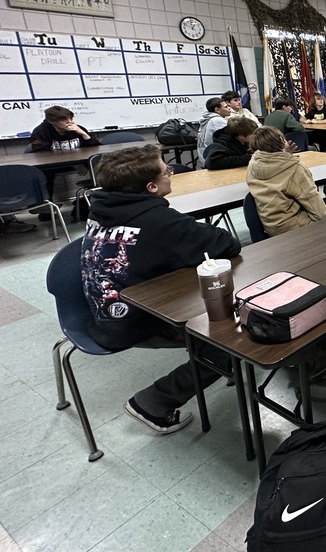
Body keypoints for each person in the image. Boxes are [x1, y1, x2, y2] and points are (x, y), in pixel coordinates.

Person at [81, 145, 239, 434]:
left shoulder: (101, 209)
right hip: (134, 323)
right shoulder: (160, 221)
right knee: (232, 340)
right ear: (151, 187)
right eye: (167, 170)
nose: (171, 173)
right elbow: (227, 244)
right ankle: (153, 403)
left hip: (101, 311)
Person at [246, 126, 326, 236]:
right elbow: (320, 214)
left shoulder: (253, 166)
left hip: (272, 228)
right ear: (281, 140)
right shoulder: (295, 170)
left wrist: (285, 155)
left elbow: (274, 165)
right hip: (296, 228)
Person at [29, 105, 102, 197]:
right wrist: (74, 164)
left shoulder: (77, 129)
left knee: (101, 163)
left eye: (71, 118)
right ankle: (47, 203)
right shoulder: (40, 132)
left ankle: (101, 195)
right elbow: (41, 154)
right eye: (64, 120)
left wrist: (83, 133)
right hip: (54, 164)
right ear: (51, 121)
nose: (70, 122)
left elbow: (96, 148)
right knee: (44, 174)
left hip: (78, 162)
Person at [196, 97, 231, 168]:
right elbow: (235, 134)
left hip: (207, 157)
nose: (229, 108)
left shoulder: (208, 119)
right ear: (217, 110)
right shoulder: (216, 120)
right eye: (226, 107)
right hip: (212, 158)